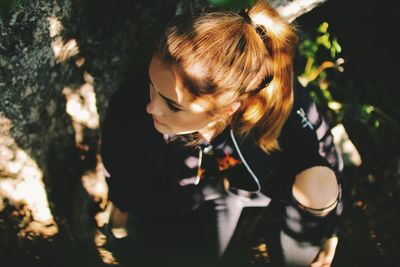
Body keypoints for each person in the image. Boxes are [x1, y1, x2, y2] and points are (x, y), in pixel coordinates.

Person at [100, 1, 344, 266]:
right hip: (180, 199)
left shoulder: (275, 103)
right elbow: (119, 164)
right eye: (151, 84)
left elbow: (323, 157)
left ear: (228, 109)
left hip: (243, 188)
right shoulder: (131, 107)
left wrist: (328, 225)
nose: (151, 107)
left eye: (172, 104)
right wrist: (122, 206)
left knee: (316, 188)